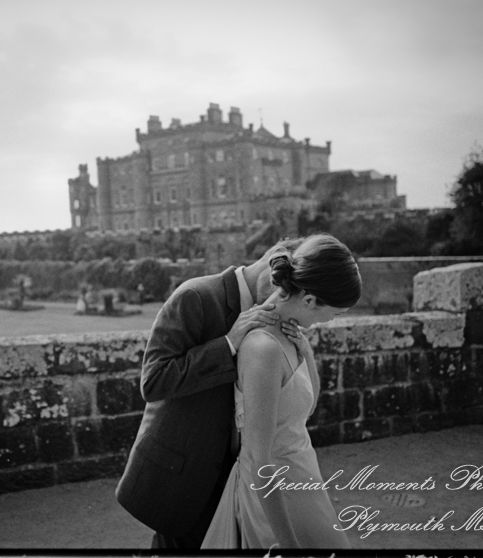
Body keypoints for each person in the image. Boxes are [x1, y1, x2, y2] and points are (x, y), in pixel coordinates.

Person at [115, 237, 304, 549]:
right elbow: (153, 381)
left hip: (239, 475)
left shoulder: (276, 316)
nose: (285, 310)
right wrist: (228, 343)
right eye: (285, 295)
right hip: (184, 474)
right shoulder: (195, 296)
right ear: (274, 272)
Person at [201, 233, 361, 549]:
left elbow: (306, 409)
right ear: (311, 300)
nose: (330, 320)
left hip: (303, 476)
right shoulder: (263, 348)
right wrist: (288, 545)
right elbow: (258, 457)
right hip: (276, 494)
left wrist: (307, 352)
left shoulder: (291, 336)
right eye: (334, 312)